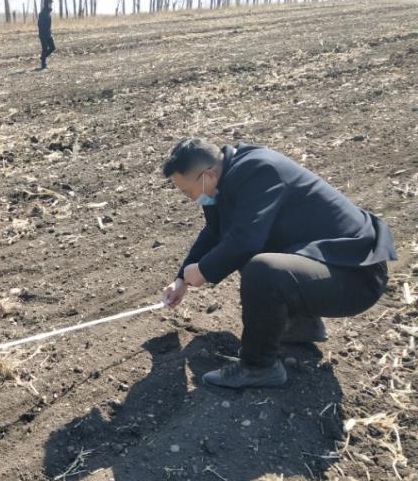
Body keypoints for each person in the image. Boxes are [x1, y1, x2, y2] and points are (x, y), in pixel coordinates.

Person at [161, 138, 396, 389]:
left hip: (356, 276)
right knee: (251, 255)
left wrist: (205, 270)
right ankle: (299, 326)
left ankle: (259, 367)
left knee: (261, 269)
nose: (189, 198)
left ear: (207, 175)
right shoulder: (224, 179)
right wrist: (181, 279)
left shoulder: (258, 170)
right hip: (324, 266)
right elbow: (215, 232)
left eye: (187, 192)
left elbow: (245, 241)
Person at [38, 0, 55, 70]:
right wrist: (43, 33)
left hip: (48, 34)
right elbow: (39, 24)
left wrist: (49, 32)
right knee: (44, 49)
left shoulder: (48, 13)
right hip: (43, 34)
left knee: (53, 48)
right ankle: (43, 65)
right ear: (46, 4)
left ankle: (43, 57)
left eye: (51, 4)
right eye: (50, 3)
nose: (51, 5)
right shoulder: (42, 13)